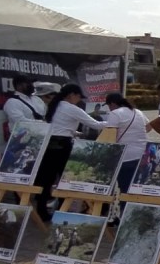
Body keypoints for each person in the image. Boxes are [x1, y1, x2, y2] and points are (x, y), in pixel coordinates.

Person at [34, 84, 108, 221]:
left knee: (47, 178)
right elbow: (96, 124)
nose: (79, 100)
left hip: (50, 143)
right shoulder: (72, 108)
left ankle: (42, 210)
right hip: (62, 145)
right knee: (65, 178)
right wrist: (115, 123)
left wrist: (75, 132)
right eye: (78, 96)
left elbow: (59, 126)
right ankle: (63, 208)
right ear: (72, 94)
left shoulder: (55, 106)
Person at [104, 92, 152, 201]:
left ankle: (122, 214)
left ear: (112, 103)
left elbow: (110, 135)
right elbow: (149, 127)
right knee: (136, 188)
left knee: (124, 189)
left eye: (108, 105)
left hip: (125, 157)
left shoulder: (115, 114)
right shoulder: (138, 112)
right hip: (143, 156)